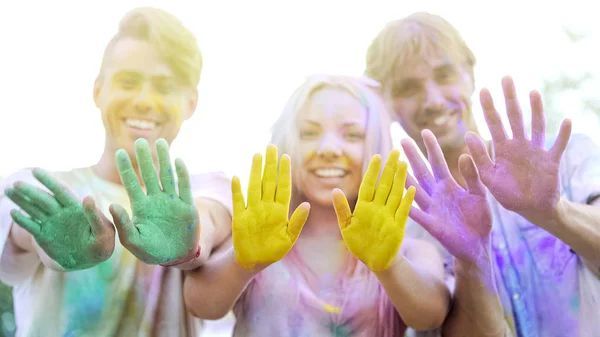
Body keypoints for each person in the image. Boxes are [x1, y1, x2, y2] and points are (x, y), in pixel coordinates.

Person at [0, 7, 232, 336]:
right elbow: (23, 229)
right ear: (98, 90)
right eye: (128, 81)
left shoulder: (211, 191)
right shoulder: (40, 187)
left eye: (164, 87)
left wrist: (188, 241)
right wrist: (54, 244)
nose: (144, 101)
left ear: (191, 102)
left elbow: (208, 223)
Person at [365, 12, 600, 337]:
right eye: (408, 87)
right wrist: (470, 257)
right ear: (386, 103)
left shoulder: (565, 156)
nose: (432, 100)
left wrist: (555, 213)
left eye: (444, 74)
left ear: (470, 73)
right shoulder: (405, 221)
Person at [184, 75, 451, 336]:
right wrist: (244, 263)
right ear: (286, 143)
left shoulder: (409, 250)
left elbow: (430, 316)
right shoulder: (254, 235)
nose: (328, 148)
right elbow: (201, 305)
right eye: (309, 133)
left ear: (379, 148)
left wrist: (389, 265)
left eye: (352, 134)